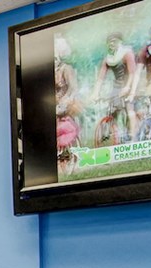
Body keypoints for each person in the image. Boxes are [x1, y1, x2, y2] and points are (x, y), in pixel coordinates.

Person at [91, 32, 138, 141]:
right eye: (109, 42)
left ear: (120, 42)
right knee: (113, 109)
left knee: (129, 108)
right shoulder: (108, 58)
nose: (111, 44)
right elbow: (100, 78)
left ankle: (133, 136)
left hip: (129, 84)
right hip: (117, 86)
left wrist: (127, 88)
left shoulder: (127, 53)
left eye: (114, 41)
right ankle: (113, 132)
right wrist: (95, 92)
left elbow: (132, 73)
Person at [54, 36, 83, 171]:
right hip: (54, 107)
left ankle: (77, 159)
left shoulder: (67, 69)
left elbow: (73, 88)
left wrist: (65, 101)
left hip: (68, 105)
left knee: (71, 128)